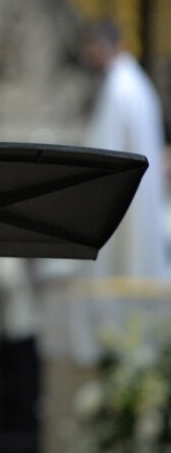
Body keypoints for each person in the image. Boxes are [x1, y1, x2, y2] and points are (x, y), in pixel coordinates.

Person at [79, 18, 168, 279]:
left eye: (90, 48)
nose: (87, 55)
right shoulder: (132, 81)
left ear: (102, 46)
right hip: (137, 192)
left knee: (126, 266)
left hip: (125, 196)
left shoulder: (120, 87)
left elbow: (105, 151)